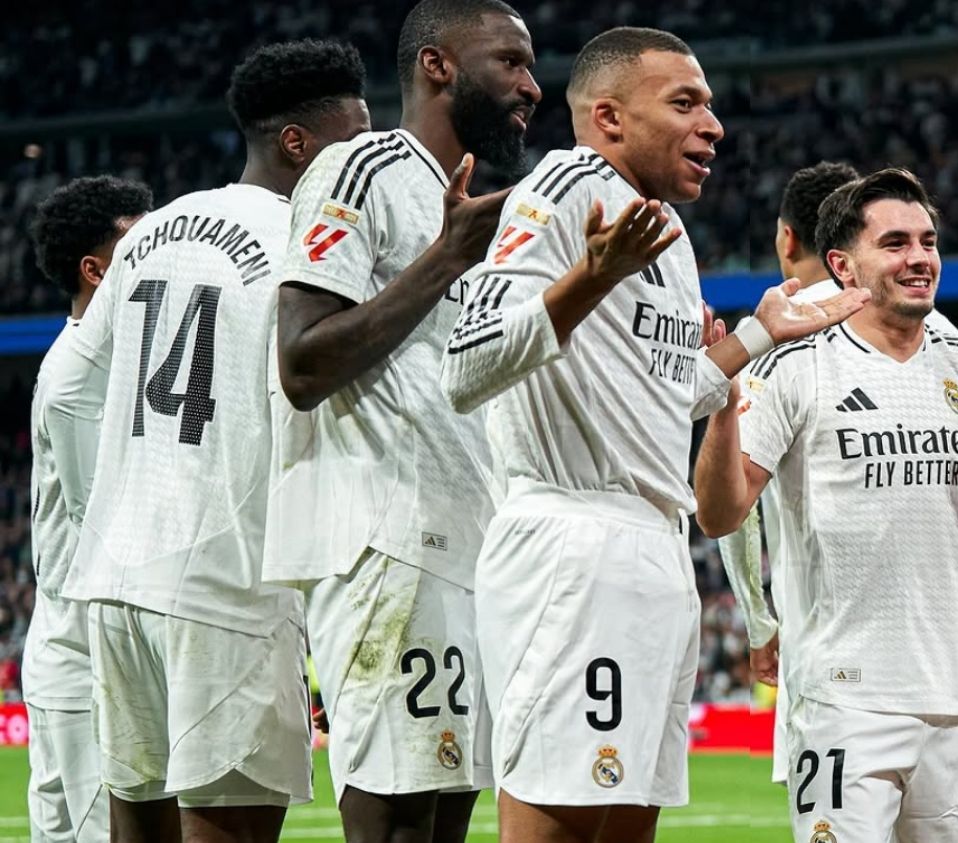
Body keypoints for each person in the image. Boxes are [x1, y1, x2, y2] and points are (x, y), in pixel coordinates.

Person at [440, 26, 868, 843]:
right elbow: (467, 366)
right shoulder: (563, 189)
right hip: (572, 546)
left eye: (710, 105)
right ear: (608, 117)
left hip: (654, 547)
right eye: (685, 103)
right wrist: (588, 278)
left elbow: (664, 400)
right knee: (558, 819)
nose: (714, 125)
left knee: (628, 821)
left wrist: (758, 334)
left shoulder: (665, 233)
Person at [52, 40, 369, 843]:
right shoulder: (309, 244)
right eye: (354, 139)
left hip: (118, 578)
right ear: (296, 142)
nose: (366, 162)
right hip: (226, 585)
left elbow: (69, 385)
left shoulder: (152, 230)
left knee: (138, 826)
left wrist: (102, 510)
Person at [268, 1, 540, 840]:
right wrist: (445, 259)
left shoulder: (478, 212)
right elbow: (302, 363)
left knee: (447, 816)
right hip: (387, 539)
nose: (532, 86)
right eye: (511, 61)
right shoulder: (362, 167)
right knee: (398, 823)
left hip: (471, 541)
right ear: (437, 65)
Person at [715, 161, 958, 789]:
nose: (917, 257)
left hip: (827, 657)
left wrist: (759, 621)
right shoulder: (945, 335)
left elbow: (736, 516)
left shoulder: (777, 339)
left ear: (787, 239)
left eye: (924, 241)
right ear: (843, 257)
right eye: (895, 241)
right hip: (922, 672)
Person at [24, 175, 153, 843]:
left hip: (102, 650)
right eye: (138, 245)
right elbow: (101, 524)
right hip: (81, 658)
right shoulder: (76, 375)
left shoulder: (124, 359)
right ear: (95, 270)